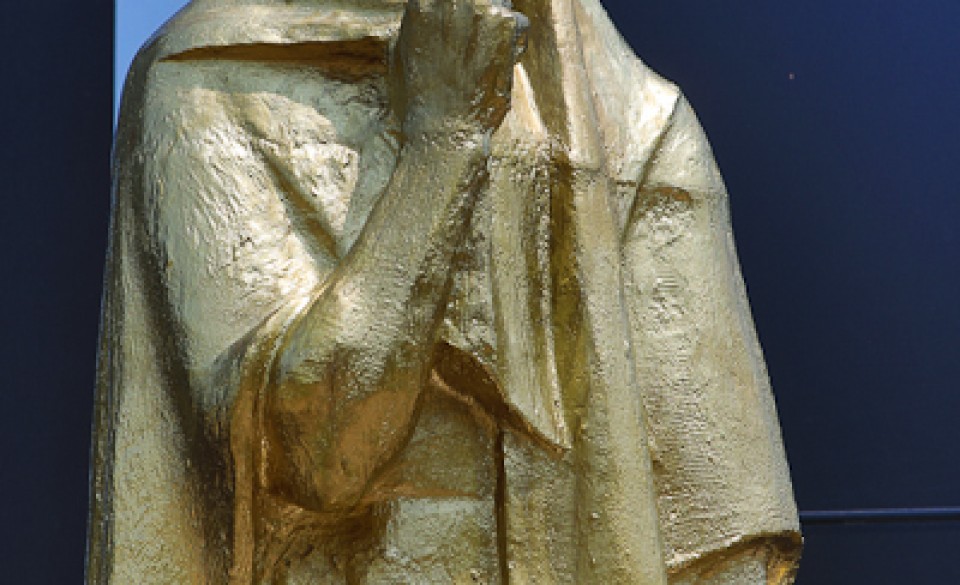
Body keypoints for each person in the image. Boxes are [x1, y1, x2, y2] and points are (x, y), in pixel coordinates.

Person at [88, 0, 801, 583]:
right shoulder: (204, 81)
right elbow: (317, 455)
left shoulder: (634, 126)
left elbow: (721, 548)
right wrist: (443, 143)